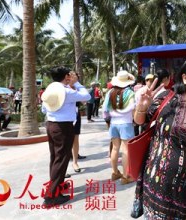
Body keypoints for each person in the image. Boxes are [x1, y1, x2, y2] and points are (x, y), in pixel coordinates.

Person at [133, 55, 186, 219]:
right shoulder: (167, 100)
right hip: (156, 187)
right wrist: (141, 108)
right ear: (185, 77)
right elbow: (139, 121)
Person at [41, 66, 91, 206]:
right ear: (66, 77)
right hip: (63, 126)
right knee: (61, 158)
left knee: (55, 157)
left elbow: (44, 108)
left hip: (51, 124)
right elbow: (86, 96)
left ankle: (57, 186)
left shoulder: (50, 90)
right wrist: (76, 83)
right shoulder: (66, 91)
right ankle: (51, 196)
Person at [102, 70, 136, 185]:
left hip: (113, 124)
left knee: (115, 148)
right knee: (125, 149)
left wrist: (111, 115)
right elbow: (132, 106)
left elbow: (104, 109)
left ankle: (115, 172)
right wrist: (122, 113)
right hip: (126, 123)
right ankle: (126, 176)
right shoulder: (130, 92)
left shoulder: (110, 92)